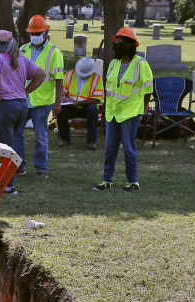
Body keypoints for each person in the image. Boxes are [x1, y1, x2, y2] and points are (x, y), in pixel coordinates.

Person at [0, 30, 46, 195]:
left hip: (3, 107)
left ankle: (8, 186)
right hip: (21, 106)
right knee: (13, 144)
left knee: (3, 147)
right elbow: (41, 75)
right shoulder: (22, 59)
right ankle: (4, 180)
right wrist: (25, 92)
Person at [93, 27, 153, 193]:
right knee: (110, 149)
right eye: (116, 44)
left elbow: (148, 90)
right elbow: (110, 89)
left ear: (129, 45)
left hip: (130, 113)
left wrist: (144, 109)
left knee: (129, 149)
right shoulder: (113, 63)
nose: (116, 46)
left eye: (120, 44)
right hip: (112, 113)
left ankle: (133, 182)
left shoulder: (141, 64)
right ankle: (106, 180)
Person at [15, 15, 64, 178]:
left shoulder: (54, 52)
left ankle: (41, 169)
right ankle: (19, 166)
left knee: (41, 136)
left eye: (38, 33)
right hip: (23, 99)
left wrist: (58, 102)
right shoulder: (23, 49)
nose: (34, 36)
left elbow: (58, 79)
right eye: (32, 33)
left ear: (46, 32)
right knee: (17, 133)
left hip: (43, 102)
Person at [56, 57, 104, 150]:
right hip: (70, 106)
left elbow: (97, 99)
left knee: (93, 109)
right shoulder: (69, 75)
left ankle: (91, 141)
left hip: (86, 107)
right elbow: (62, 92)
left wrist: (78, 103)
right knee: (61, 111)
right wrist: (63, 98)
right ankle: (65, 139)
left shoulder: (97, 78)